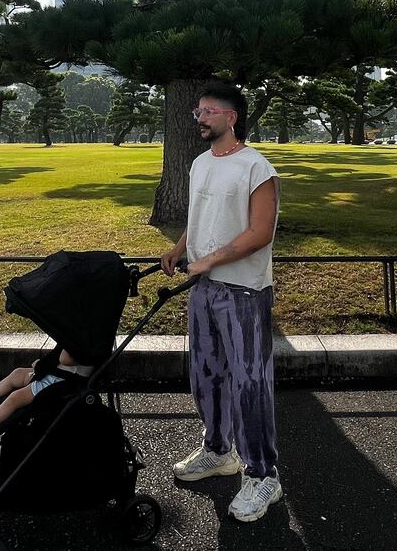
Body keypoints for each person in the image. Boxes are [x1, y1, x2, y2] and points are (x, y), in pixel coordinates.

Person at [160, 81, 281, 523]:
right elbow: (200, 218)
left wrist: (208, 259)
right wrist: (179, 248)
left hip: (244, 291)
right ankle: (218, 451)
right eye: (198, 112)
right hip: (205, 289)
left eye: (208, 111)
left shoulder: (256, 167)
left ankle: (263, 475)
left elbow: (260, 233)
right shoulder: (199, 164)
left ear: (231, 117)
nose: (200, 118)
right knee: (206, 374)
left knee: (250, 383)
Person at [0, 349, 94, 442]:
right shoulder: (81, 328)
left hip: (63, 383)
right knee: (17, 373)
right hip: (56, 373)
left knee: (16, 397)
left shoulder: (88, 337)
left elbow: (66, 359)